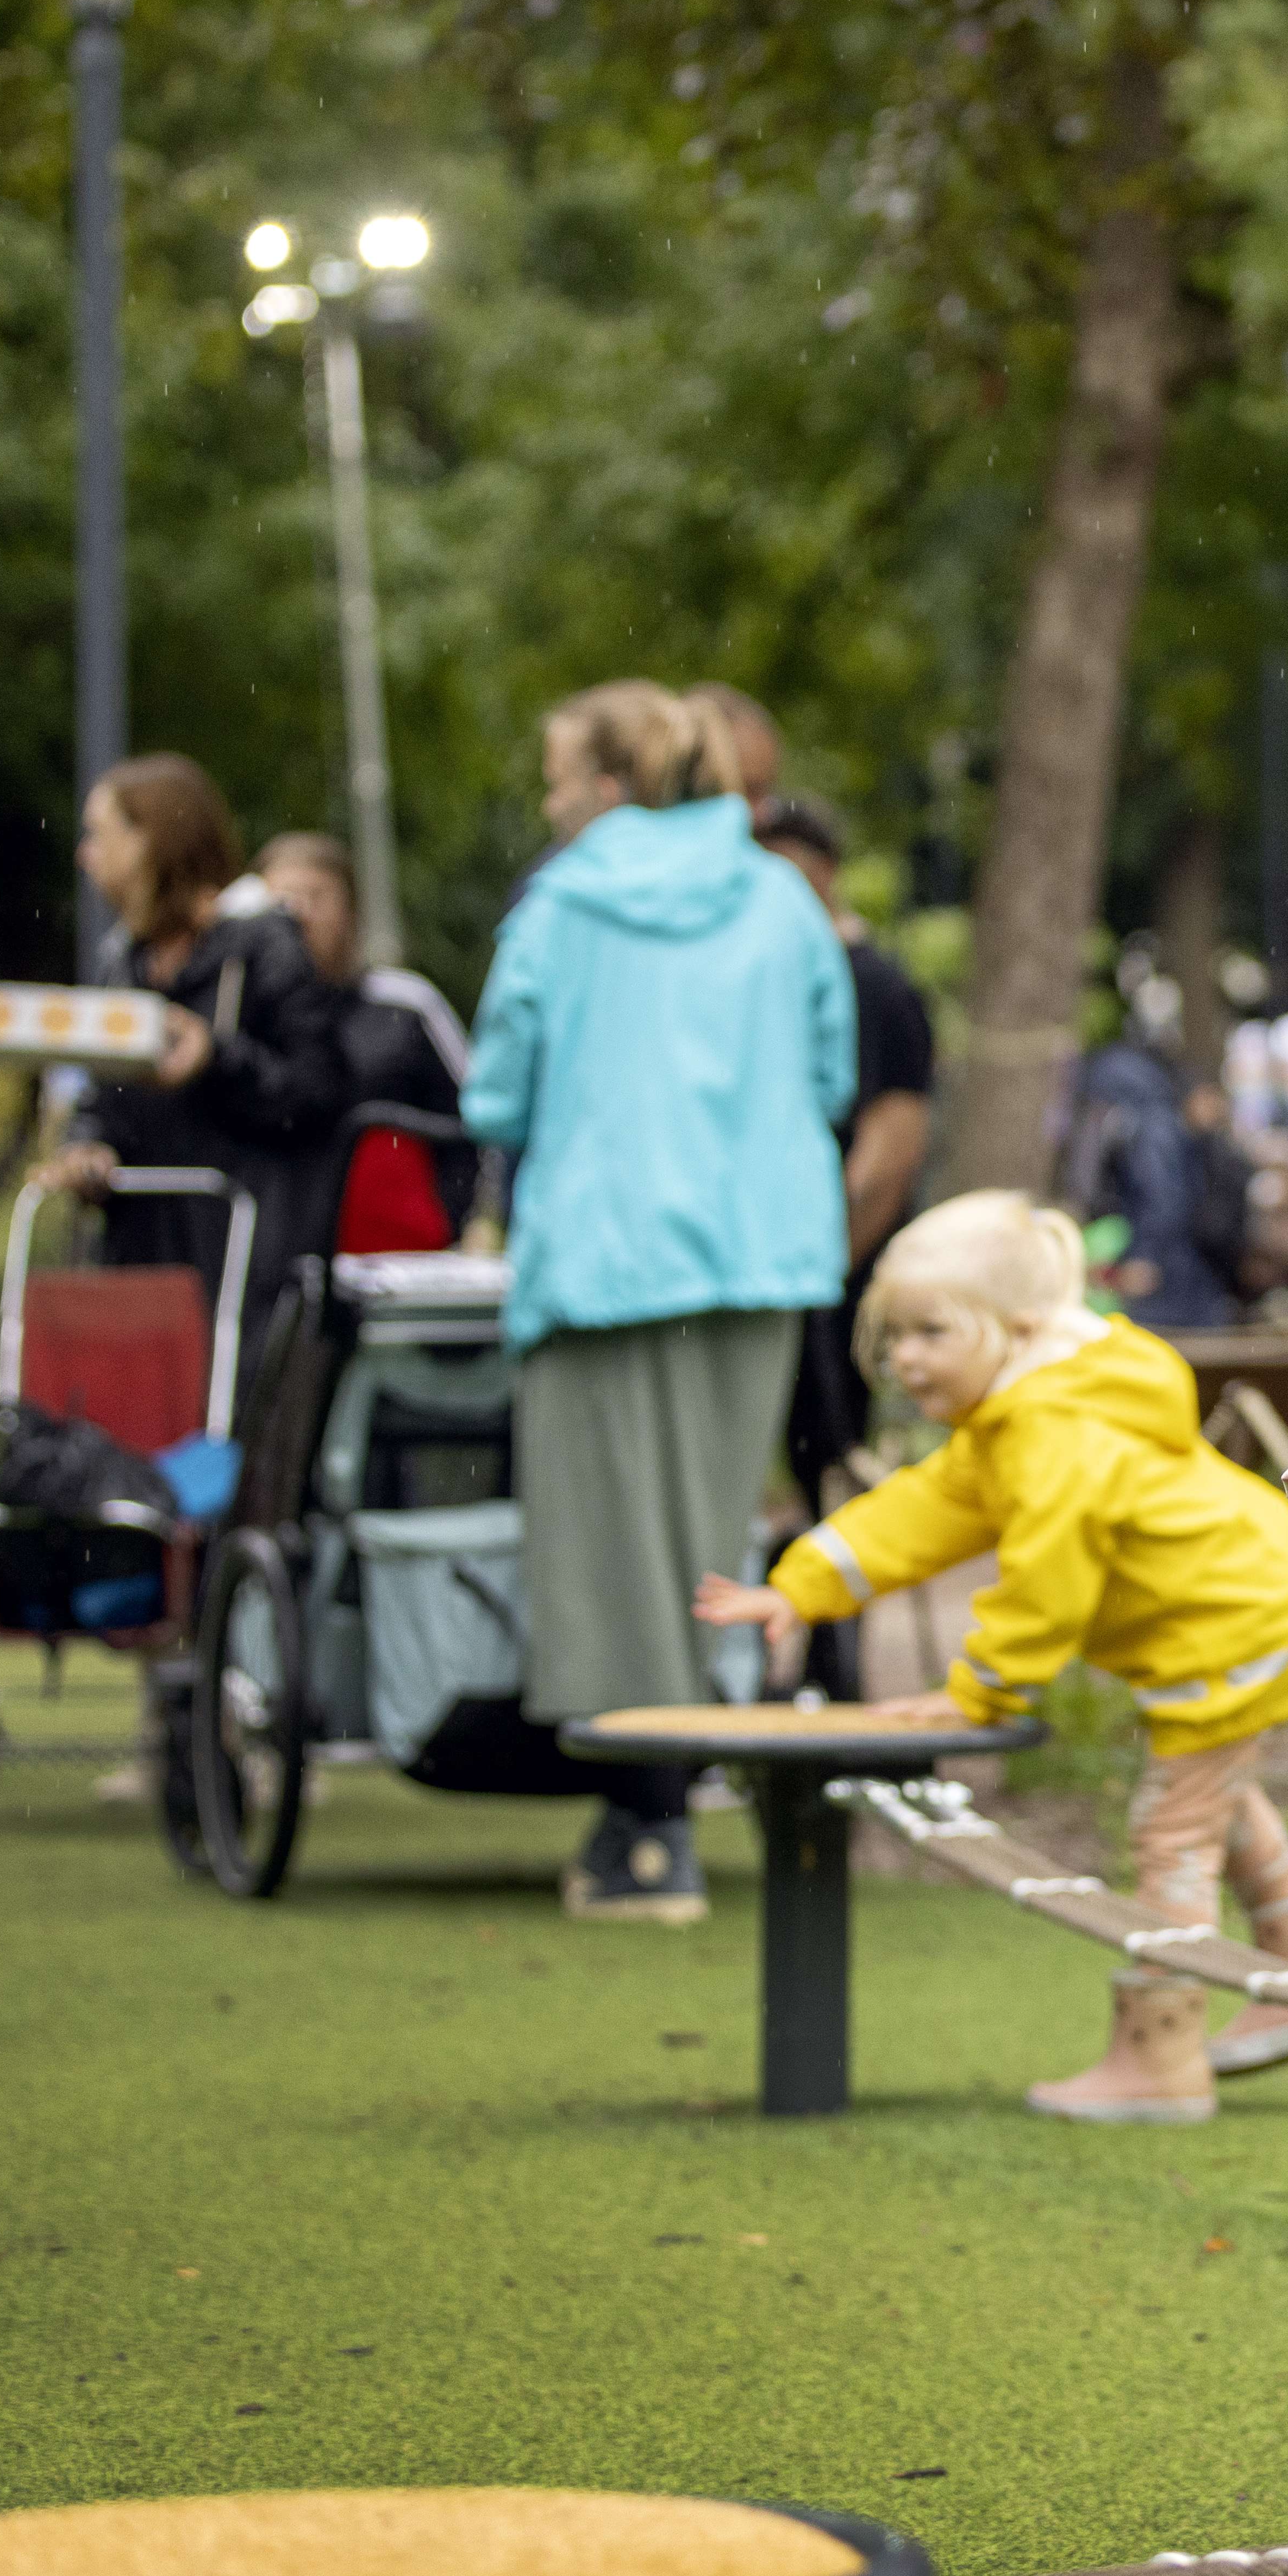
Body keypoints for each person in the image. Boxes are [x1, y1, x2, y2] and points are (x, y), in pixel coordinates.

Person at [698, 1191, 1288, 2117]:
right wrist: (804, 1581)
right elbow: (921, 1509)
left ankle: (1163, 2055)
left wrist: (976, 1693)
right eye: (893, 1334)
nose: (904, 1357)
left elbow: (1046, 1580)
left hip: (1232, 1621)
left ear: (1015, 1327)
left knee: (1172, 1828)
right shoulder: (1021, 1414)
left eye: (932, 1329)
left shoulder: (1055, 1429)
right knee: (1211, 1793)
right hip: (1246, 1606)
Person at [462, 681, 853, 1923]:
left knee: (600, 1542)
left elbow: (496, 1094)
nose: (549, 800)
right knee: (699, 1534)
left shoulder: (561, 902)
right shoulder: (783, 899)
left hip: (603, 1245)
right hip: (756, 1248)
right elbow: (830, 1065)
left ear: (613, 784)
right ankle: (661, 1806)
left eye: (560, 776)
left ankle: (648, 1820)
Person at [35, 756, 348, 1365]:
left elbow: (320, 1093)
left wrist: (217, 1057)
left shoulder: (262, 944)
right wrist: (88, 1147)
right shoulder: (122, 962)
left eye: (101, 833)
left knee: (233, 1450)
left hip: (244, 1269)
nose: (86, 854)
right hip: (145, 1270)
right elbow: (103, 1103)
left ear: (152, 839)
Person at [743, 783, 940, 1587]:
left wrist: (826, 1257)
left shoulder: (879, 987)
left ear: (824, 872)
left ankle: (839, 1645)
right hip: (776, 1254)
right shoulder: (764, 976)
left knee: (835, 1458)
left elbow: (892, 1146)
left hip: (839, 1263)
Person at [252, 831, 476, 1250]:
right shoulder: (237, 1023)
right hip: (274, 1261)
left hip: (397, 1262)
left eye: (317, 897)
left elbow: (474, 1122)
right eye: (282, 902)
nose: (299, 916)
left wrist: (455, 1222)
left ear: (351, 912)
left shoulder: (407, 1006)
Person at [1060, 953, 1247, 1329]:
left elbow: (1162, 1191)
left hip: (1165, 1273)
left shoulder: (1138, 1115)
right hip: (1175, 1266)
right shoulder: (1154, 1106)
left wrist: (1146, 1255)